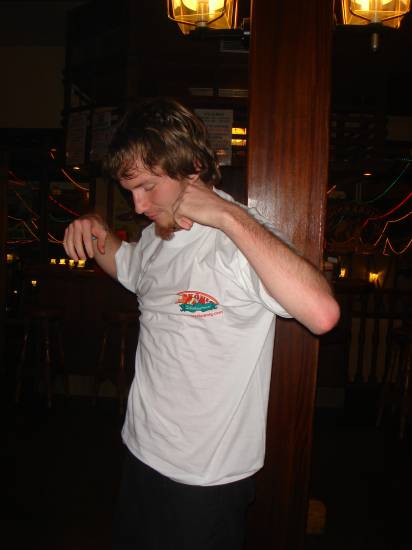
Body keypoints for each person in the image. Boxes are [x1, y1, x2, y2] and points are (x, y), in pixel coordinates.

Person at [63, 97, 340, 550]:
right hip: (141, 452)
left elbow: (322, 314)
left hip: (205, 479)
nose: (138, 205)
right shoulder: (155, 238)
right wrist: (94, 225)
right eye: (130, 190)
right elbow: (127, 265)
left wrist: (228, 216)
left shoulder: (238, 241)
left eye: (148, 186)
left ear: (192, 170)